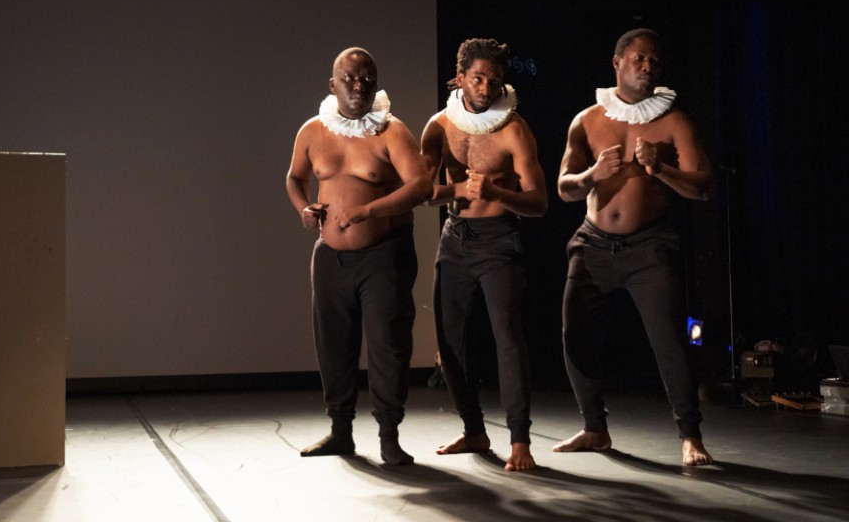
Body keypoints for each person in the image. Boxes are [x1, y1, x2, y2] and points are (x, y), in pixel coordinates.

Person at [555, 28, 714, 466]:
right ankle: (594, 428)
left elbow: (703, 188)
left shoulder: (674, 121)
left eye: (654, 61)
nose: (648, 67)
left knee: (669, 341)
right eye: (639, 59)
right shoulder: (587, 120)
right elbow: (564, 189)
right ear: (617, 63)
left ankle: (690, 434)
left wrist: (659, 168)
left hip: (650, 246)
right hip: (592, 244)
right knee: (575, 336)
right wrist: (591, 176)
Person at [286, 47, 432, 465]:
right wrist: (304, 207)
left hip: (384, 256)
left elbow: (420, 187)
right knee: (334, 346)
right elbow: (295, 177)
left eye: (366, 79)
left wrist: (369, 210)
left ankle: (389, 436)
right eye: (349, 78)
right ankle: (340, 431)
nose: (358, 85)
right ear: (332, 85)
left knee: (388, 346)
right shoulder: (312, 132)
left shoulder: (391, 131)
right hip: (331, 257)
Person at [420, 38, 548, 472]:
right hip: (455, 239)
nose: (486, 87)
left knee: (506, 337)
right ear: (460, 78)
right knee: (448, 338)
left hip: (498, 240)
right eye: (478, 78)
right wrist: (456, 190)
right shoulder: (439, 126)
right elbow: (422, 191)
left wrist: (495, 191)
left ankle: (519, 440)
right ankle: (473, 429)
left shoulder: (514, 129)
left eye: (494, 80)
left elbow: (540, 201)